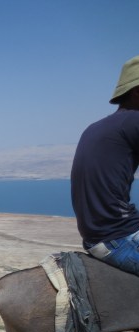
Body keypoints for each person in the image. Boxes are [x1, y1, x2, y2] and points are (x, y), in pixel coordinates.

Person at [71, 55, 139, 274]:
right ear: (137, 91)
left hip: (98, 236)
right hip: (119, 238)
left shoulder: (97, 127)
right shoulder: (134, 122)